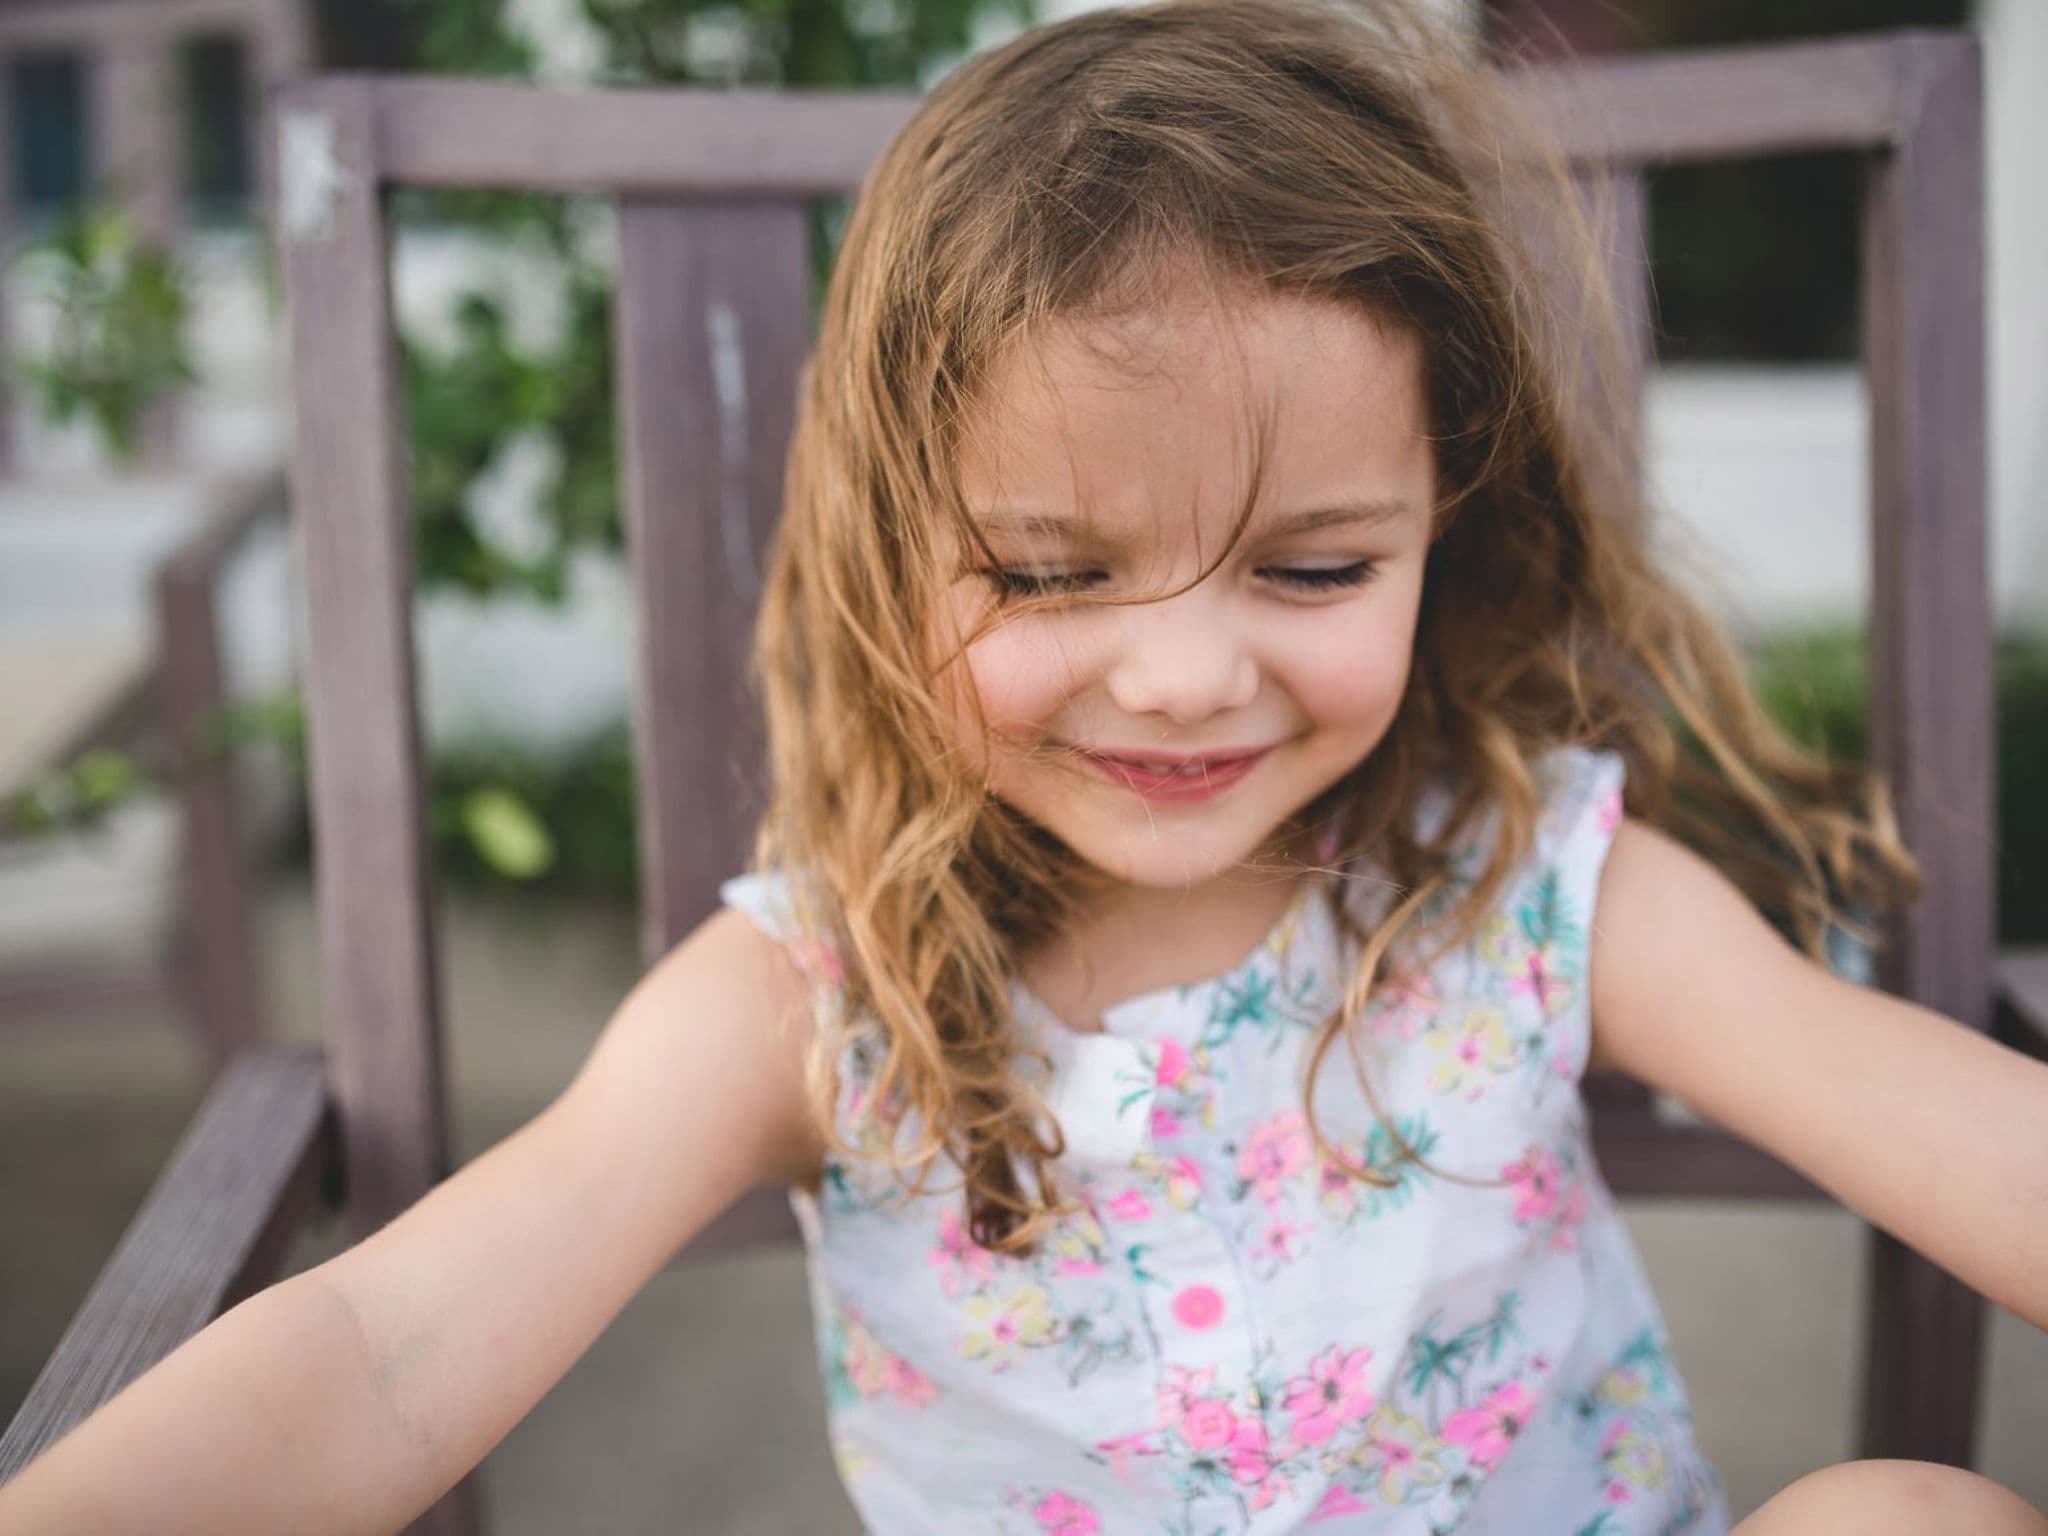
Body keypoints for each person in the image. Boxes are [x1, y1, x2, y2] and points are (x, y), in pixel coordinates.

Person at [4, 1, 2046, 1531]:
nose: (1178, 676)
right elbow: (378, 1352)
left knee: (1903, 1518)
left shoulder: (1522, 886)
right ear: (892, 557)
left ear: (1450, 522)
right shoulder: (816, 1004)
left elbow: (1960, 1130)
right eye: (1053, 574)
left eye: (1314, 563)